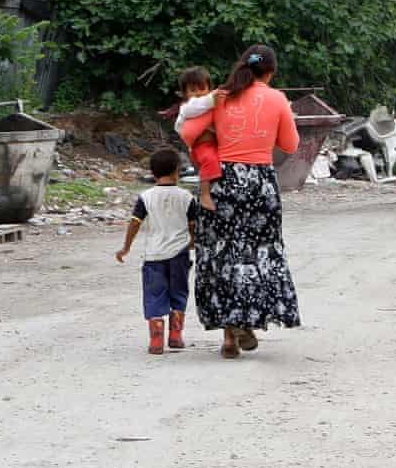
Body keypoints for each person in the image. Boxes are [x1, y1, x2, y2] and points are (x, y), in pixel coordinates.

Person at [178, 44, 300, 359]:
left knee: (221, 255)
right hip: (259, 183)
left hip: (221, 181)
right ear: (270, 72)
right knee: (256, 253)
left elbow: (188, 131)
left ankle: (229, 337)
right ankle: (247, 318)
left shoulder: (220, 96)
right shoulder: (276, 99)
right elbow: (290, 143)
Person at [115, 148, 199, 355]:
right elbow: (194, 225)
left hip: (153, 256)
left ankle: (156, 339)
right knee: (179, 292)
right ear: (178, 170)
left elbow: (135, 223)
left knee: (154, 295)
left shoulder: (146, 197)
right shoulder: (186, 197)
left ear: (152, 173)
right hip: (179, 254)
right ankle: (176, 335)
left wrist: (126, 247)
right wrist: (193, 242)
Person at [159, 67, 221, 212]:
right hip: (201, 147)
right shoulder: (188, 107)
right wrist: (213, 98)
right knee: (210, 160)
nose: (198, 93)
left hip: (214, 145)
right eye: (193, 90)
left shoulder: (211, 104)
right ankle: (205, 195)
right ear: (185, 93)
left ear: (209, 87)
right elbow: (199, 106)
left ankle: (214, 191)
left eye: (202, 88)